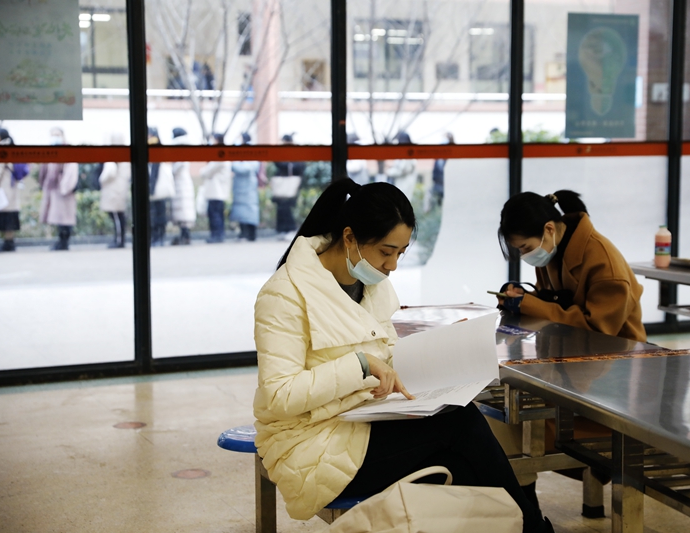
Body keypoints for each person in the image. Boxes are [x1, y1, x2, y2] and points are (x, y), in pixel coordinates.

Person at [252, 178, 553, 533]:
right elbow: (280, 395)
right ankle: (535, 529)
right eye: (386, 251)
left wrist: (441, 352)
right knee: (462, 426)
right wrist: (360, 365)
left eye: (401, 253)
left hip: (362, 423)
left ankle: (526, 527)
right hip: (310, 444)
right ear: (349, 237)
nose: (392, 265)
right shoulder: (284, 294)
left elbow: (387, 354)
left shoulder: (370, 283)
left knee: (462, 461)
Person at [496, 190, 646, 342]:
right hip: (568, 348)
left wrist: (528, 305)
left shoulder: (605, 265)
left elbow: (596, 330)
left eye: (526, 247)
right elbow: (555, 301)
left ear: (549, 229)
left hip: (617, 351)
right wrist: (523, 296)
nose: (524, 255)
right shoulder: (552, 249)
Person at [39, 128, 79, 251]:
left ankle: (64, 242)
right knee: (57, 217)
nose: (55, 138)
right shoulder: (49, 151)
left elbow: (71, 171)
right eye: (53, 135)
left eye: (57, 135)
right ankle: (61, 241)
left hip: (64, 189)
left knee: (65, 218)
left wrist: (65, 187)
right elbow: (44, 170)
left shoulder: (68, 151)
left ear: (63, 136)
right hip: (53, 189)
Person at [0, 128, 23, 252]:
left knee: (5, 216)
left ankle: (8, 244)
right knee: (10, 216)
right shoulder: (12, 147)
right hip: (11, 187)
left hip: (3, 188)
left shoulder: (1, 149)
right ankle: (10, 242)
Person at [98, 133, 131, 248]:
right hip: (120, 189)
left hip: (114, 189)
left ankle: (119, 241)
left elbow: (109, 172)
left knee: (117, 217)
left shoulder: (115, 154)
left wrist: (101, 180)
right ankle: (119, 240)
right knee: (119, 216)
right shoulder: (125, 154)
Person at [272, 133, 305, 240]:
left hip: (290, 184)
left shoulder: (296, 153)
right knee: (281, 208)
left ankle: (291, 229)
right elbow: (277, 162)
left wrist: (288, 164)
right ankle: (282, 230)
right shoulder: (281, 152)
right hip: (282, 184)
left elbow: (299, 166)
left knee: (286, 207)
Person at [200, 133, 232, 243]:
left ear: (217, 140)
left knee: (215, 214)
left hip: (216, 191)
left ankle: (217, 236)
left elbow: (206, 171)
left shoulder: (220, 154)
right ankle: (218, 235)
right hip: (217, 191)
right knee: (217, 214)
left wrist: (202, 171)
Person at [229, 132, 260, 241]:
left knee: (249, 211)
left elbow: (247, 168)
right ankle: (243, 233)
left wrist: (234, 165)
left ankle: (251, 234)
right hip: (239, 187)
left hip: (248, 187)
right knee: (241, 211)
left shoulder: (252, 151)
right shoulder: (238, 151)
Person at [147, 127, 174, 247]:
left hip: (157, 189)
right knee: (158, 214)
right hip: (156, 189)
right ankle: (158, 237)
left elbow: (154, 171)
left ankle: (158, 237)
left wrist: (151, 187)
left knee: (158, 215)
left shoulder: (155, 148)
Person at [170, 128, 196, 245]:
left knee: (184, 212)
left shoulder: (182, 152)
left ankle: (186, 236)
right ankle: (184, 235)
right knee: (182, 212)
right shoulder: (183, 150)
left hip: (182, 184)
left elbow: (178, 167)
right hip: (181, 183)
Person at [385, 130, 417, 201]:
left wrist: (389, 171)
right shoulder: (403, 153)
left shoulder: (409, 154)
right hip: (400, 186)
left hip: (404, 186)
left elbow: (402, 170)